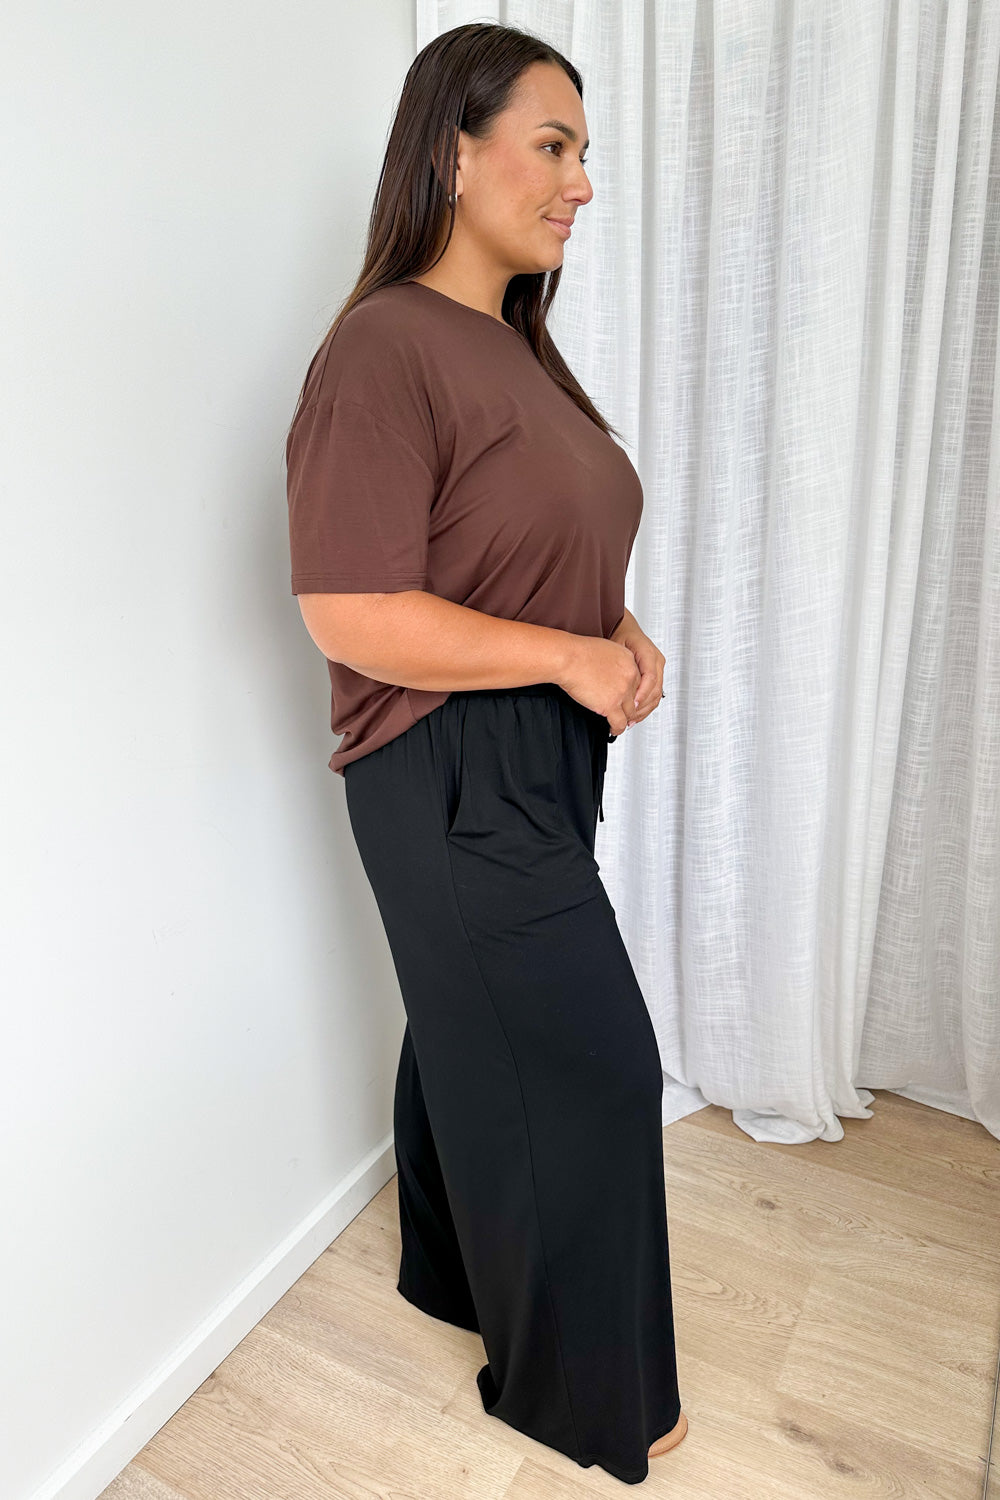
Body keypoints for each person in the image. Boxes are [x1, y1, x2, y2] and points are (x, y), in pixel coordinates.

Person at [284, 20, 686, 1486]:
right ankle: (584, 1394)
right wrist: (568, 658)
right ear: (453, 154)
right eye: (553, 145)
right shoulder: (385, 345)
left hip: (536, 756)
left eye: (586, 153)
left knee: (476, 1019)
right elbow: (352, 609)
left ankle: (451, 1274)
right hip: (444, 760)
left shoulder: (516, 349)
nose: (581, 182)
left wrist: (616, 627)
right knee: (593, 1062)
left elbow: (521, 549)